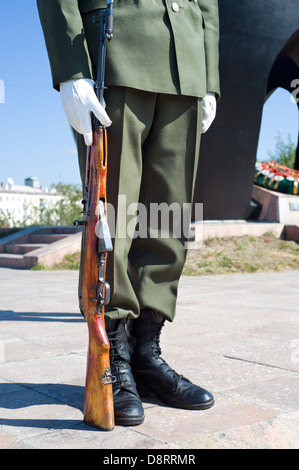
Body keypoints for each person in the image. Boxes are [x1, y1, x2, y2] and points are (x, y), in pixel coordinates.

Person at [37, 0, 220, 426]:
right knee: (114, 219)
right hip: (117, 48)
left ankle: (145, 355)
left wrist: (209, 75)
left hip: (187, 59)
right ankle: (113, 360)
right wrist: (70, 66)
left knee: (169, 218)